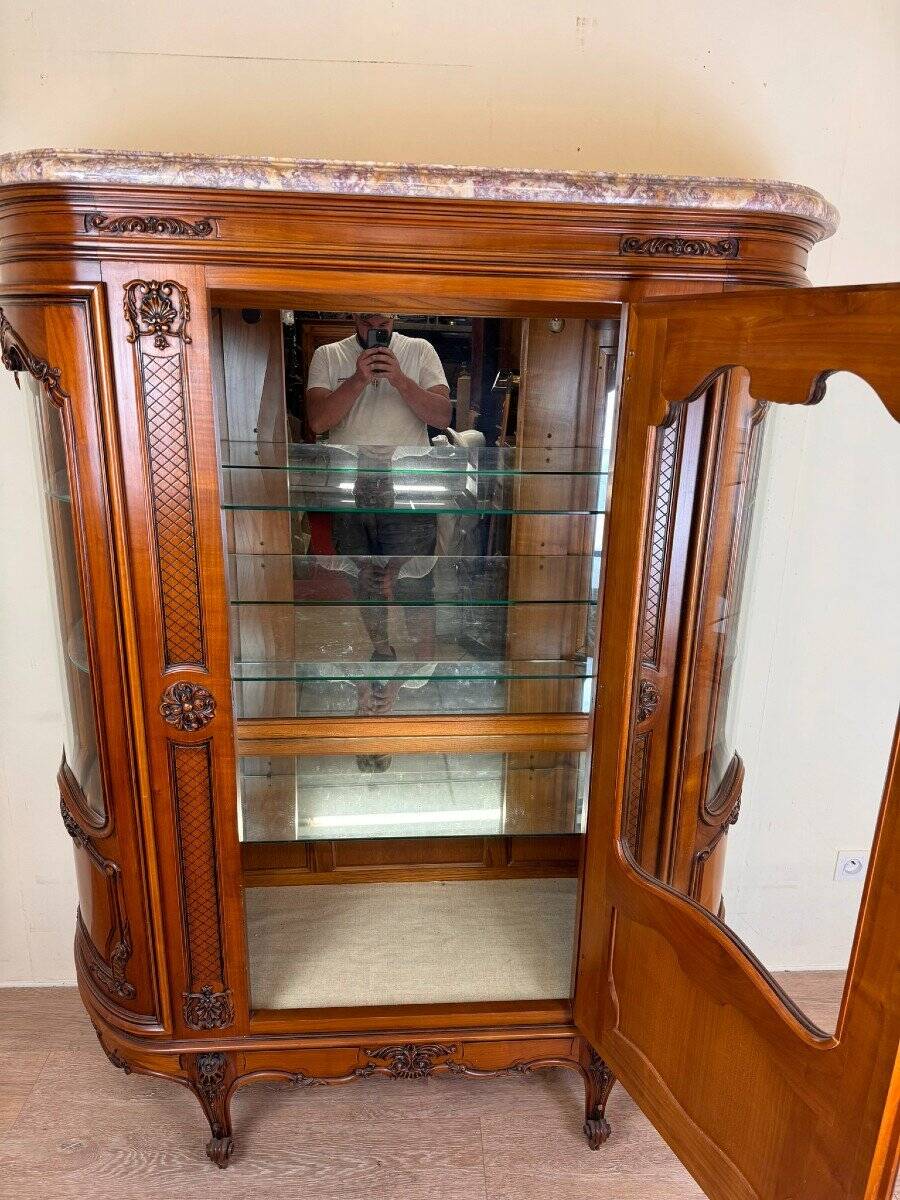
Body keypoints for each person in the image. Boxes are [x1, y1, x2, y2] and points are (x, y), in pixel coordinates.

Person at [305, 315, 451, 763]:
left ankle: (384, 654)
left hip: (409, 487)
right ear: (353, 316)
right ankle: (380, 648)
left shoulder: (420, 351)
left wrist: (400, 379)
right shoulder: (328, 355)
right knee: (363, 578)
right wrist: (357, 378)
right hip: (349, 488)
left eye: (383, 316)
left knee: (411, 584)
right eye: (367, 315)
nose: (376, 323)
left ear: (393, 317)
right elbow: (317, 422)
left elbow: (442, 418)